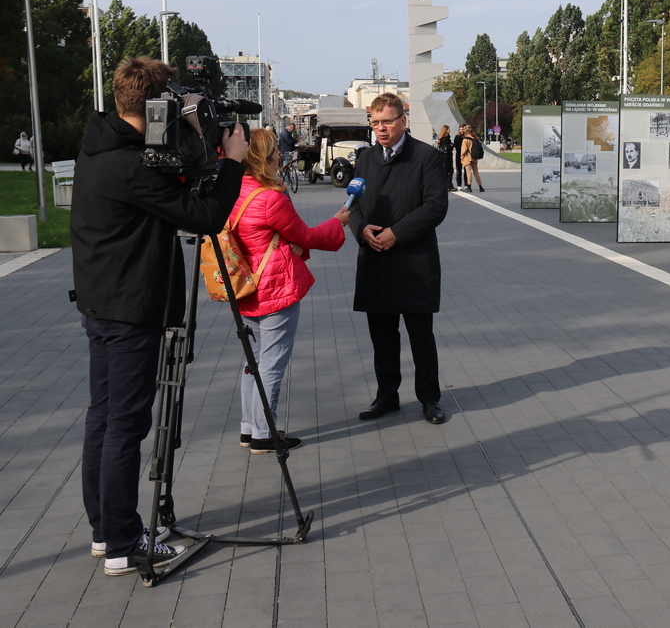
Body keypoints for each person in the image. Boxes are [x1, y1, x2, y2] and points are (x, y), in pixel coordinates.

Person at [70, 56, 250, 575]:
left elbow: (176, 179)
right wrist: (234, 161)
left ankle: (106, 531)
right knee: (126, 426)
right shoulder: (132, 166)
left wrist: (191, 137)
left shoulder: (100, 145)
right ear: (156, 106)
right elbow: (207, 216)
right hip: (130, 309)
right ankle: (125, 544)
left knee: (104, 418)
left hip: (101, 303)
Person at [233, 129, 350, 452]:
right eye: (275, 151)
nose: (279, 156)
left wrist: (287, 242)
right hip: (274, 288)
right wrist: (337, 222)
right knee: (272, 363)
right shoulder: (270, 198)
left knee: (253, 361)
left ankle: (249, 427)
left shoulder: (234, 191)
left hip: (245, 286)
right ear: (266, 157)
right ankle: (264, 432)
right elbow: (306, 236)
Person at [349, 93, 448, 425]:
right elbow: (353, 204)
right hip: (375, 261)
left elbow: (435, 206)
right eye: (375, 122)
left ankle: (429, 399)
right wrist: (361, 229)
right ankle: (387, 395)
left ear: (402, 121)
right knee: (382, 337)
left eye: (387, 122)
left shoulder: (427, 156)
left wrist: (397, 233)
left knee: (421, 337)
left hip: (413, 262)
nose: (381, 128)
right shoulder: (365, 158)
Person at [461, 126, 485, 192]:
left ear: (465, 131)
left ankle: (469, 187)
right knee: (476, 172)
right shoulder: (475, 138)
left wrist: (461, 157)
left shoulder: (465, 139)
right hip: (474, 157)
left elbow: (463, 150)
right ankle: (480, 186)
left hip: (467, 157)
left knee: (468, 172)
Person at [436, 125, 455, 191]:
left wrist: (451, 145)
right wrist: (451, 146)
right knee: (450, 170)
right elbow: (449, 147)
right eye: (448, 129)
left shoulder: (441, 138)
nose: (450, 131)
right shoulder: (445, 138)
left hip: (444, 156)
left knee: (446, 170)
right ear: (446, 130)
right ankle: (448, 185)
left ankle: (447, 185)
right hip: (447, 156)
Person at [453, 124, 467, 190]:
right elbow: (456, 145)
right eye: (460, 129)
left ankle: (466, 184)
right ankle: (459, 185)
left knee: (466, 170)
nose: (461, 130)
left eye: (462, 129)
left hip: (466, 155)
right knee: (458, 170)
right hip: (459, 154)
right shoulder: (457, 137)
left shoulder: (466, 137)